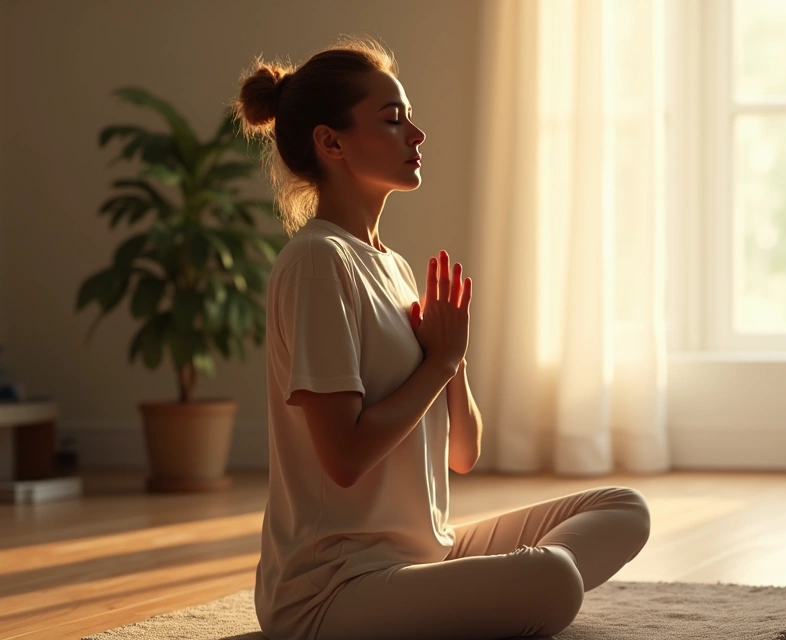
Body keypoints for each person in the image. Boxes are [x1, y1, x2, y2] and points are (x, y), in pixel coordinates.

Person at [233, 37, 651, 640]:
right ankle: (486, 596)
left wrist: (449, 362)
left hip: (426, 554)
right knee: (554, 581)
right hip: (332, 590)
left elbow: (464, 453)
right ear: (332, 143)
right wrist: (440, 360)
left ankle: (467, 597)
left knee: (622, 508)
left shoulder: (394, 266)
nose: (417, 135)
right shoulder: (317, 262)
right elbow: (344, 460)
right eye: (394, 120)